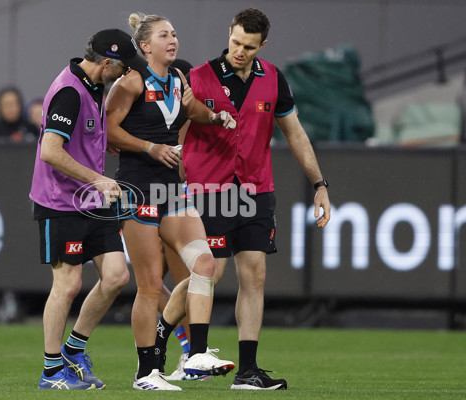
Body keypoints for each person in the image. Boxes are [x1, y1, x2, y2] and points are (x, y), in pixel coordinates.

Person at [158, 8, 332, 391]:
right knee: (210, 274)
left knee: (255, 275)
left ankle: (248, 372)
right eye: (236, 42)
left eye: (248, 46)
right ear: (229, 34)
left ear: (262, 45)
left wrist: (320, 184)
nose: (239, 51)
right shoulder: (199, 77)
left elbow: (296, 134)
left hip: (256, 190)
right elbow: (178, 133)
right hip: (210, 191)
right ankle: (159, 344)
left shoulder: (273, 78)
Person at [106, 12, 237, 391]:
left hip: (171, 190)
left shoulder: (179, 79)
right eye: (164, 35)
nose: (173, 40)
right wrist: (150, 147)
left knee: (205, 262)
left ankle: (195, 353)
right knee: (149, 286)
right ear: (145, 46)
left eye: (175, 34)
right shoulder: (130, 82)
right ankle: (145, 373)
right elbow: (109, 128)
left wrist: (214, 117)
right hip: (138, 191)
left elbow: (189, 107)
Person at [29, 28, 145, 390]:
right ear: (106, 62)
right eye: (124, 67)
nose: (126, 73)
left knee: (115, 276)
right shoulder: (69, 92)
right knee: (67, 285)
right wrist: (95, 178)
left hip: (92, 201)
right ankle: (51, 372)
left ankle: (74, 350)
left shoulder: (95, 86)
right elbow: (50, 150)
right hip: (61, 201)